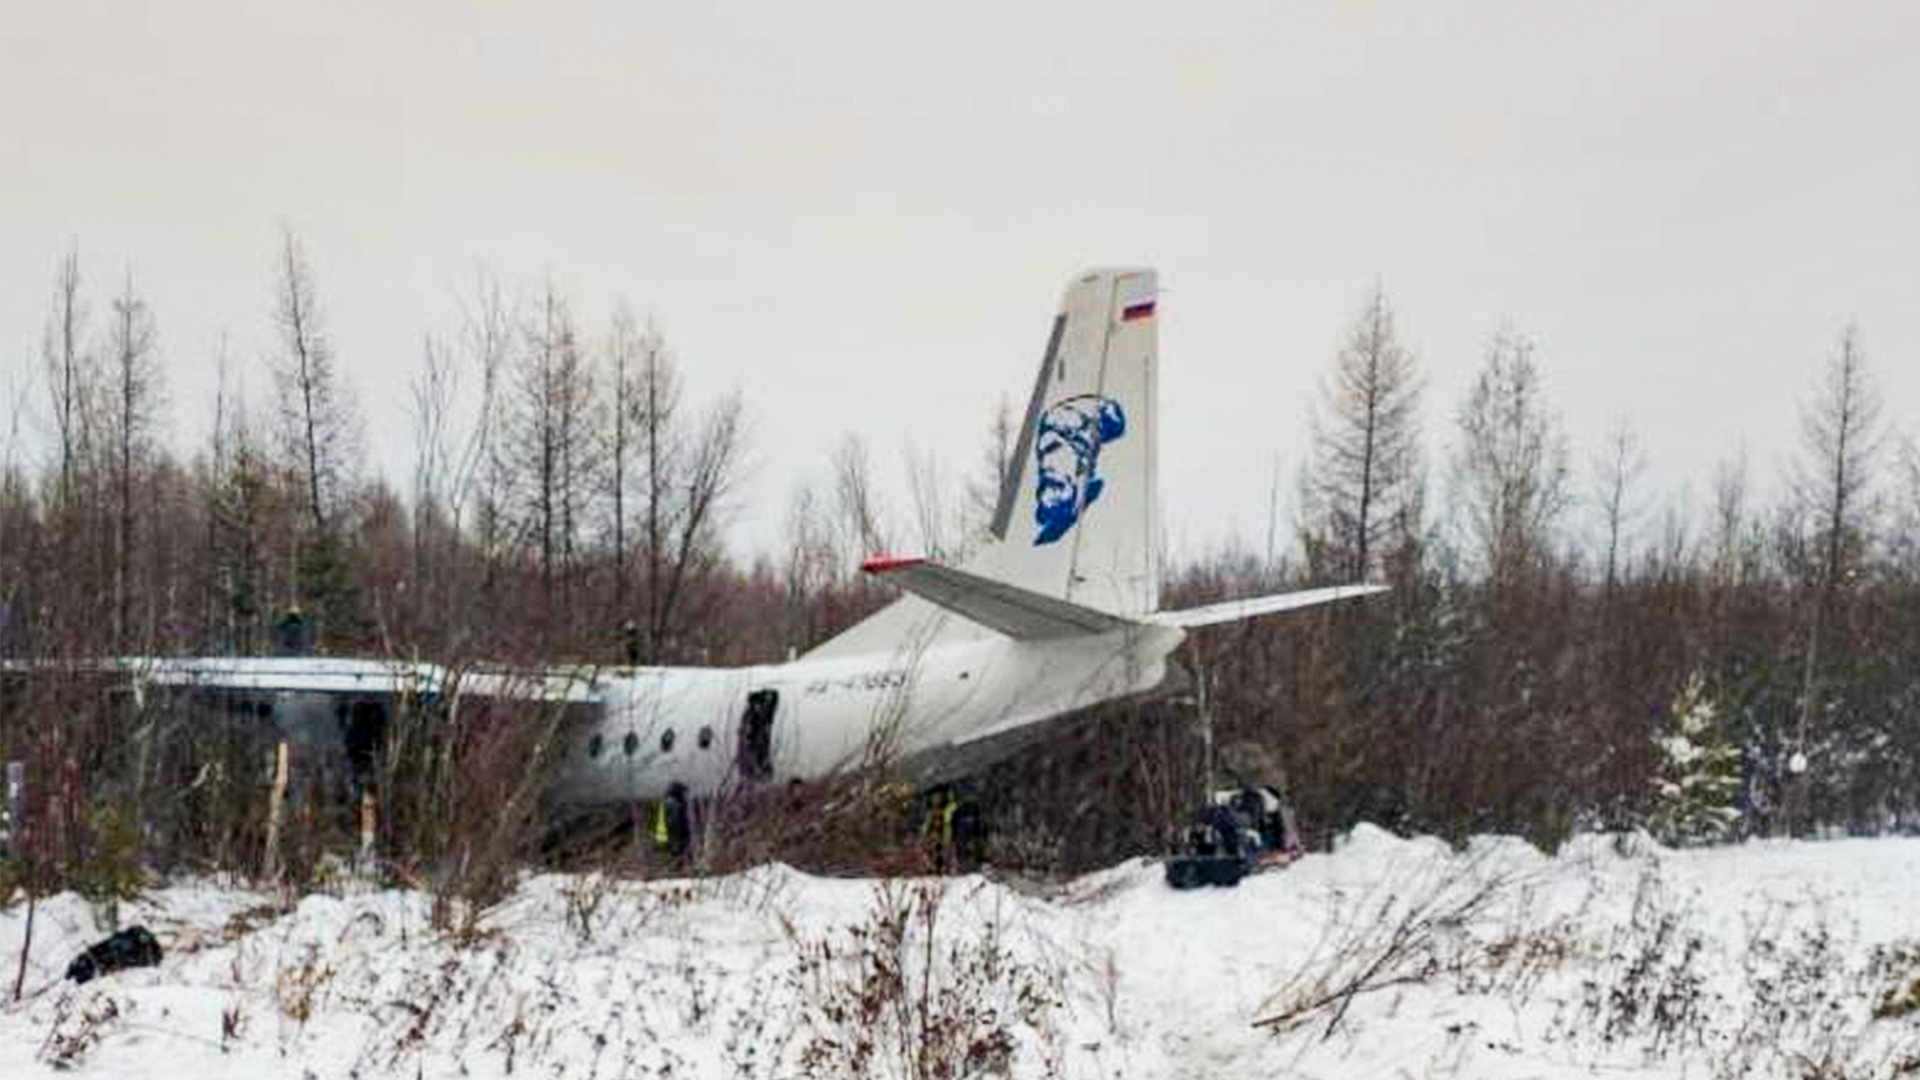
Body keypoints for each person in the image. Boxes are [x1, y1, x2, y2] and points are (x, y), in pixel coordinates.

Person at [652, 781, 692, 866]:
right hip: (675, 836)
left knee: (672, 855)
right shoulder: (674, 804)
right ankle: (678, 867)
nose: (685, 795)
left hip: (666, 836)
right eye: (683, 792)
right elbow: (675, 822)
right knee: (677, 855)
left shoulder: (667, 802)